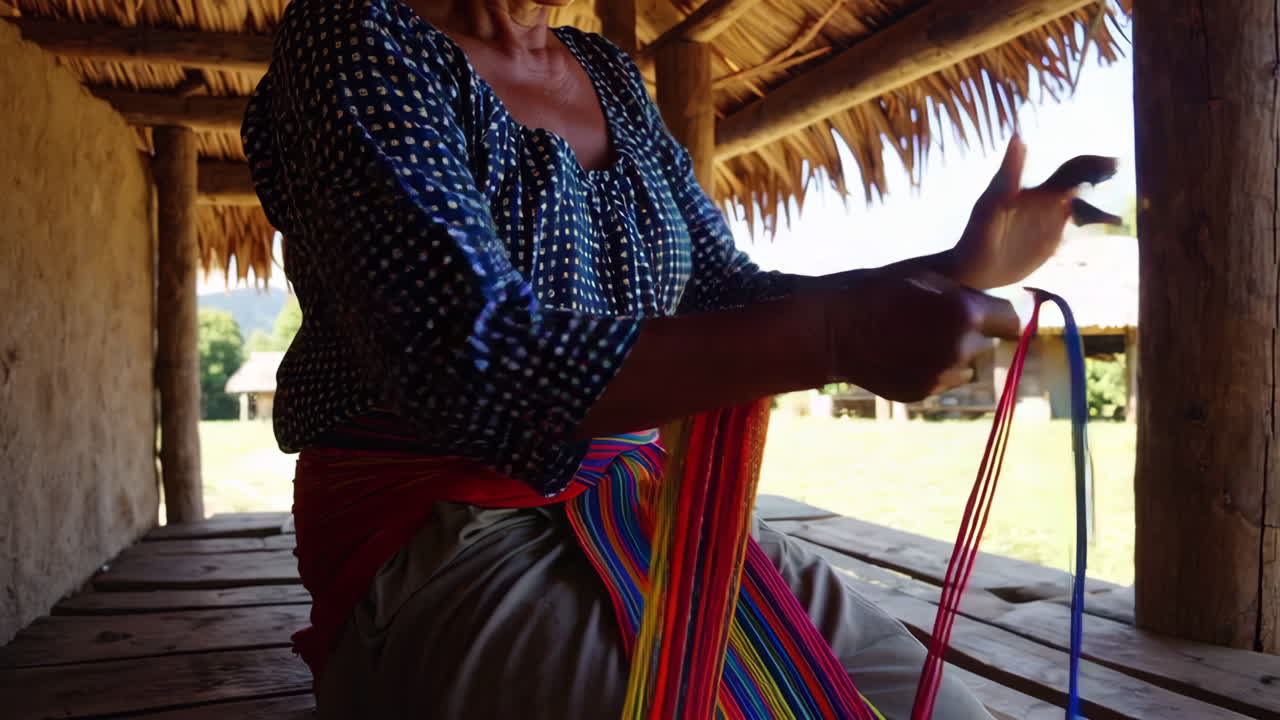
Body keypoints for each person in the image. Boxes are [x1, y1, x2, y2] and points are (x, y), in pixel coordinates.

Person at [242, 0, 1118, 717]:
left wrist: (955, 270)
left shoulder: (610, 78)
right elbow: (472, 362)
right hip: (443, 530)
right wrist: (840, 338)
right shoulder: (359, 34)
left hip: (649, 507)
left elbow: (721, 289)